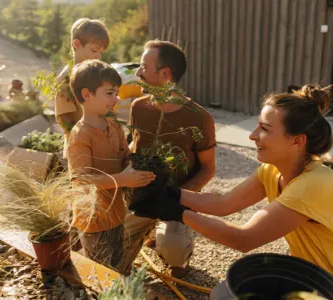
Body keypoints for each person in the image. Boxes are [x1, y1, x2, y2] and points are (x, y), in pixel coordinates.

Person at [131, 85, 333, 300]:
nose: (253, 136)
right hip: (318, 282)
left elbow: (243, 239)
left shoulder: (313, 186)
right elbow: (224, 203)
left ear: (297, 141)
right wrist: (171, 193)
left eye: (264, 129)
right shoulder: (273, 171)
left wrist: (175, 211)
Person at [117, 40, 216, 277]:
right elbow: (135, 144)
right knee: (113, 257)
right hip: (139, 195)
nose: (138, 73)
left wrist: (178, 198)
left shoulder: (200, 117)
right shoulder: (138, 107)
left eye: (143, 67)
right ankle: (149, 231)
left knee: (173, 251)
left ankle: (175, 244)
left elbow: (208, 169)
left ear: (165, 74)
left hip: (175, 198)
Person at [67, 59, 155, 269]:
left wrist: (138, 166)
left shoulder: (113, 124)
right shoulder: (80, 135)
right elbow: (81, 179)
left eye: (116, 93)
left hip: (117, 212)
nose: (115, 99)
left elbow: (125, 155)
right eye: (109, 93)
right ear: (87, 94)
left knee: (116, 262)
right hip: (93, 220)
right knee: (100, 269)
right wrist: (123, 179)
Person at [55, 18, 110, 153]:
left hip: (102, 144)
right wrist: (83, 139)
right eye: (94, 50)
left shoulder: (98, 75)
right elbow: (64, 118)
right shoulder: (65, 78)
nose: (98, 56)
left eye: (101, 53)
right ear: (77, 44)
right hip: (80, 148)